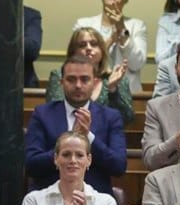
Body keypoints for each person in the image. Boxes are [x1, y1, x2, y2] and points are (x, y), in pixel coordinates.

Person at [25, 56, 127, 197]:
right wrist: (66, 146)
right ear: (61, 83)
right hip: (48, 200)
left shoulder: (110, 117)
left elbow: (118, 166)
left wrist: (89, 137)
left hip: (95, 201)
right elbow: (31, 165)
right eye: (71, 79)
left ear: (95, 83)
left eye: (84, 79)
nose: (78, 85)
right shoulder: (42, 114)